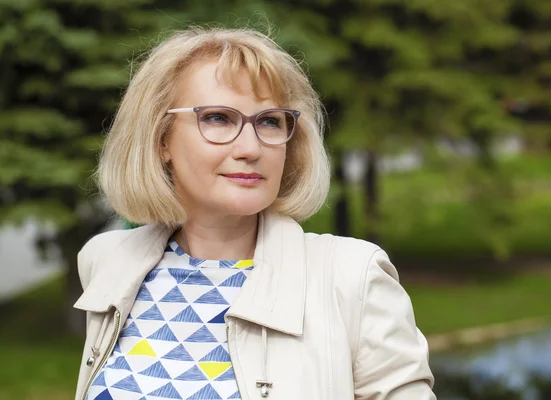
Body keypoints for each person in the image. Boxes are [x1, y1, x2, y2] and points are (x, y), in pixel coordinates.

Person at [73, 27, 435, 400]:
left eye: (269, 121)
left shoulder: (352, 280)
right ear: (161, 138)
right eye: (217, 118)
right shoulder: (109, 262)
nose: (251, 147)